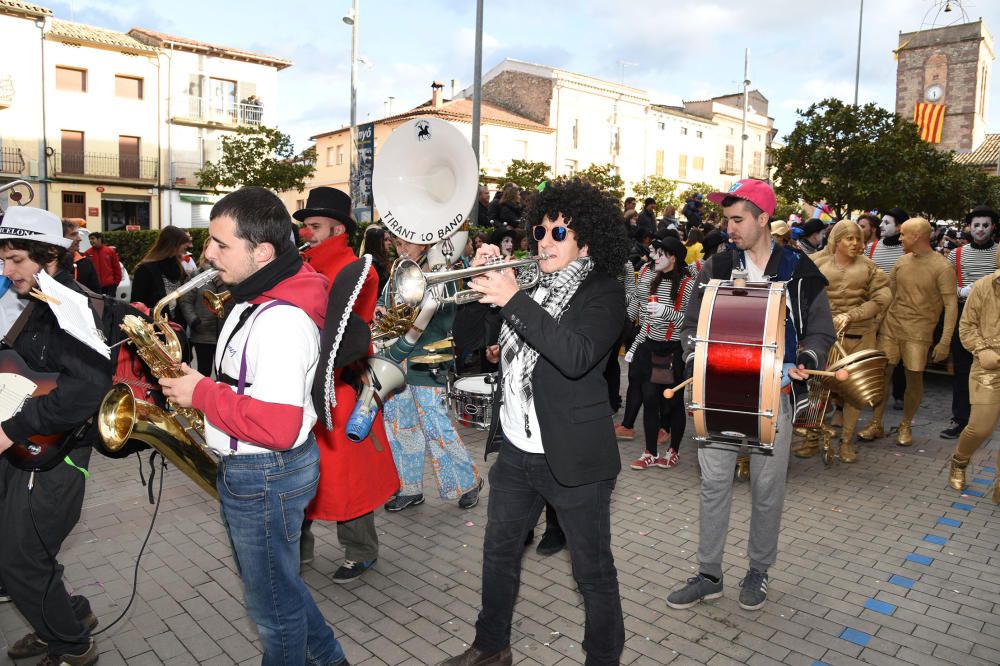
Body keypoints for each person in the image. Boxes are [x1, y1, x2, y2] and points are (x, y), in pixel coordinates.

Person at [158, 186, 350, 666]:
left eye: (222, 245)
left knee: (272, 612)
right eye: (209, 241)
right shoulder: (254, 295)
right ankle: (330, 659)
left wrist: (200, 393)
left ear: (262, 252)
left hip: (265, 471)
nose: (207, 253)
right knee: (278, 584)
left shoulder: (281, 320)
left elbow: (280, 425)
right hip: (259, 470)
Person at [441, 178, 629, 666]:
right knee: (498, 554)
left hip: (574, 458)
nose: (544, 241)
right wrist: (485, 286)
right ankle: (490, 647)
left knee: (593, 573)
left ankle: (602, 658)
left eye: (559, 232)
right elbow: (493, 347)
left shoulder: (604, 292)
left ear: (585, 240)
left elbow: (576, 355)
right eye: (540, 231)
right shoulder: (532, 284)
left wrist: (512, 299)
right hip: (517, 453)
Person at [665, 178, 835, 612]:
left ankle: (758, 570)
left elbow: (821, 330)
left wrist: (806, 359)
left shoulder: (799, 270)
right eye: (726, 220)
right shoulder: (715, 269)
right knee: (714, 484)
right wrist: (694, 364)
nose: (729, 228)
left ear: (763, 219)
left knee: (766, 488)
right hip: (717, 392)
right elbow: (690, 326)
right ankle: (708, 574)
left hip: (772, 395)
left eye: (738, 219)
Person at [0, 206, 110, 666]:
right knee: (25, 551)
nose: (7, 270)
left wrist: (11, 429)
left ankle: (72, 645)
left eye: (17, 260)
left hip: (54, 454)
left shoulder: (70, 308)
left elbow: (85, 392)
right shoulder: (35, 304)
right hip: (26, 450)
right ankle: (69, 615)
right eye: (3, 258)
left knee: (21, 559)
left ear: (49, 256)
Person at [294, 187, 399, 583]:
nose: (307, 234)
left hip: (339, 385)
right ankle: (298, 549)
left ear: (338, 228)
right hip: (302, 383)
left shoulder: (358, 271)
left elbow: (347, 331)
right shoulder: (304, 267)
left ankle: (361, 550)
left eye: (315, 227)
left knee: (344, 476)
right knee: (296, 468)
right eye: (305, 227)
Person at [380, 236, 483, 512]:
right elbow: (384, 303)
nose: (401, 249)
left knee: (436, 425)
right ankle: (410, 488)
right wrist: (381, 312)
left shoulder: (439, 271)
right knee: (400, 425)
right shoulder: (398, 272)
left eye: (406, 244)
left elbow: (445, 313)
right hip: (397, 359)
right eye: (397, 244)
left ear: (423, 244)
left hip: (429, 358)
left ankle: (468, 482)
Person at [858, 218, 957, 446]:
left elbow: (951, 306)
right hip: (892, 327)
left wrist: (945, 341)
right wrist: (876, 323)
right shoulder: (901, 261)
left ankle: (905, 424)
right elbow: (889, 294)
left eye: (904, 234)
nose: (900, 238)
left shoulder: (942, 267)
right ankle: (875, 422)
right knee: (882, 375)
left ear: (916, 237)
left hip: (919, 332)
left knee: (914, 378)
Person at [808, 220, 891, 462]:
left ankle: (846, 442)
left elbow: (883, 296)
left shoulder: (869, 267)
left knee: (855, 392)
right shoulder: (816, 263)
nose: (856, 243)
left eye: (858, 238)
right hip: (823, 337)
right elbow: (802, 294)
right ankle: (812, 438)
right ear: (837, 240)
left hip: (860, 336)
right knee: (817, 387)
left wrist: (853, 314)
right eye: (849, 238)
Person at [625, 236, 694, 470]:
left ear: (673, 257)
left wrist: (666, 311)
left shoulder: (687, 283)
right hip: (650, 348)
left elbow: (689, 322)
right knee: (649, 399)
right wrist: (633, 349)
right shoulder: (654, 280)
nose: (654, 257)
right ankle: (650, 452)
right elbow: (646, 321)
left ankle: (673, 450)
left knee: (673, 403)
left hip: (673, 351)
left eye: (660, 254)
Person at [946, 251, 1000, 504]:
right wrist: (981, 349)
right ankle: (959, 461)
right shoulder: (983, 286)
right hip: (987, 366)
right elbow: (966, 325)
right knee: (981, 427)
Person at [941, 206, 998, 439]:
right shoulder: (957, 254)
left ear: (993, 227)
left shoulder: (999, 252)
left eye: (985, 225)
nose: (980, 229)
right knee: (963, 369)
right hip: (965, 316)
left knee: (992, 367)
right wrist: (962, 291)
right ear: (969, 227)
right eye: (976, 225)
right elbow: (945, 288)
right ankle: (960, 419)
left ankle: (986, 419)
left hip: (994, 318)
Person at [130, 225, 193, 323]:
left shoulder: (177, 266)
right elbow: (137, 306)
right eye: (184, 243)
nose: (188, 246)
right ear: (173, 244)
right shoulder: (145, 270)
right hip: (154, 328)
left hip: (176, 327)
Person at [61, 218, 100, 293]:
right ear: (61, 238)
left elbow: (96, 293)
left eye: (78, 234)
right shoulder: (50, 263)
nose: (79, 239)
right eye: (73, 235)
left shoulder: (86, 263)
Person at [866, 207, 908, 274]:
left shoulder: (909, 250)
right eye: (882, 221)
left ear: (899, 227)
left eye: (886, 222)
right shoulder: (871, 248)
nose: (880, 225)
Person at [83, 231, 122, 297]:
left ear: (99, 239)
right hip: (94, 287)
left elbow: (117, 268)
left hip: (109, 286)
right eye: (89, 239)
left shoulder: (110, 252)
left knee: (109, 306)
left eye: (93, 238)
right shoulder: (87, 253)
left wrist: (115, 283)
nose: (90, 241)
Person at [362, 225, 392, 293]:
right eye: (385, 240)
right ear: (375, 242)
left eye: (389, 240)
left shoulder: (382, 259)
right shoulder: (370, 264)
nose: (389, 243)